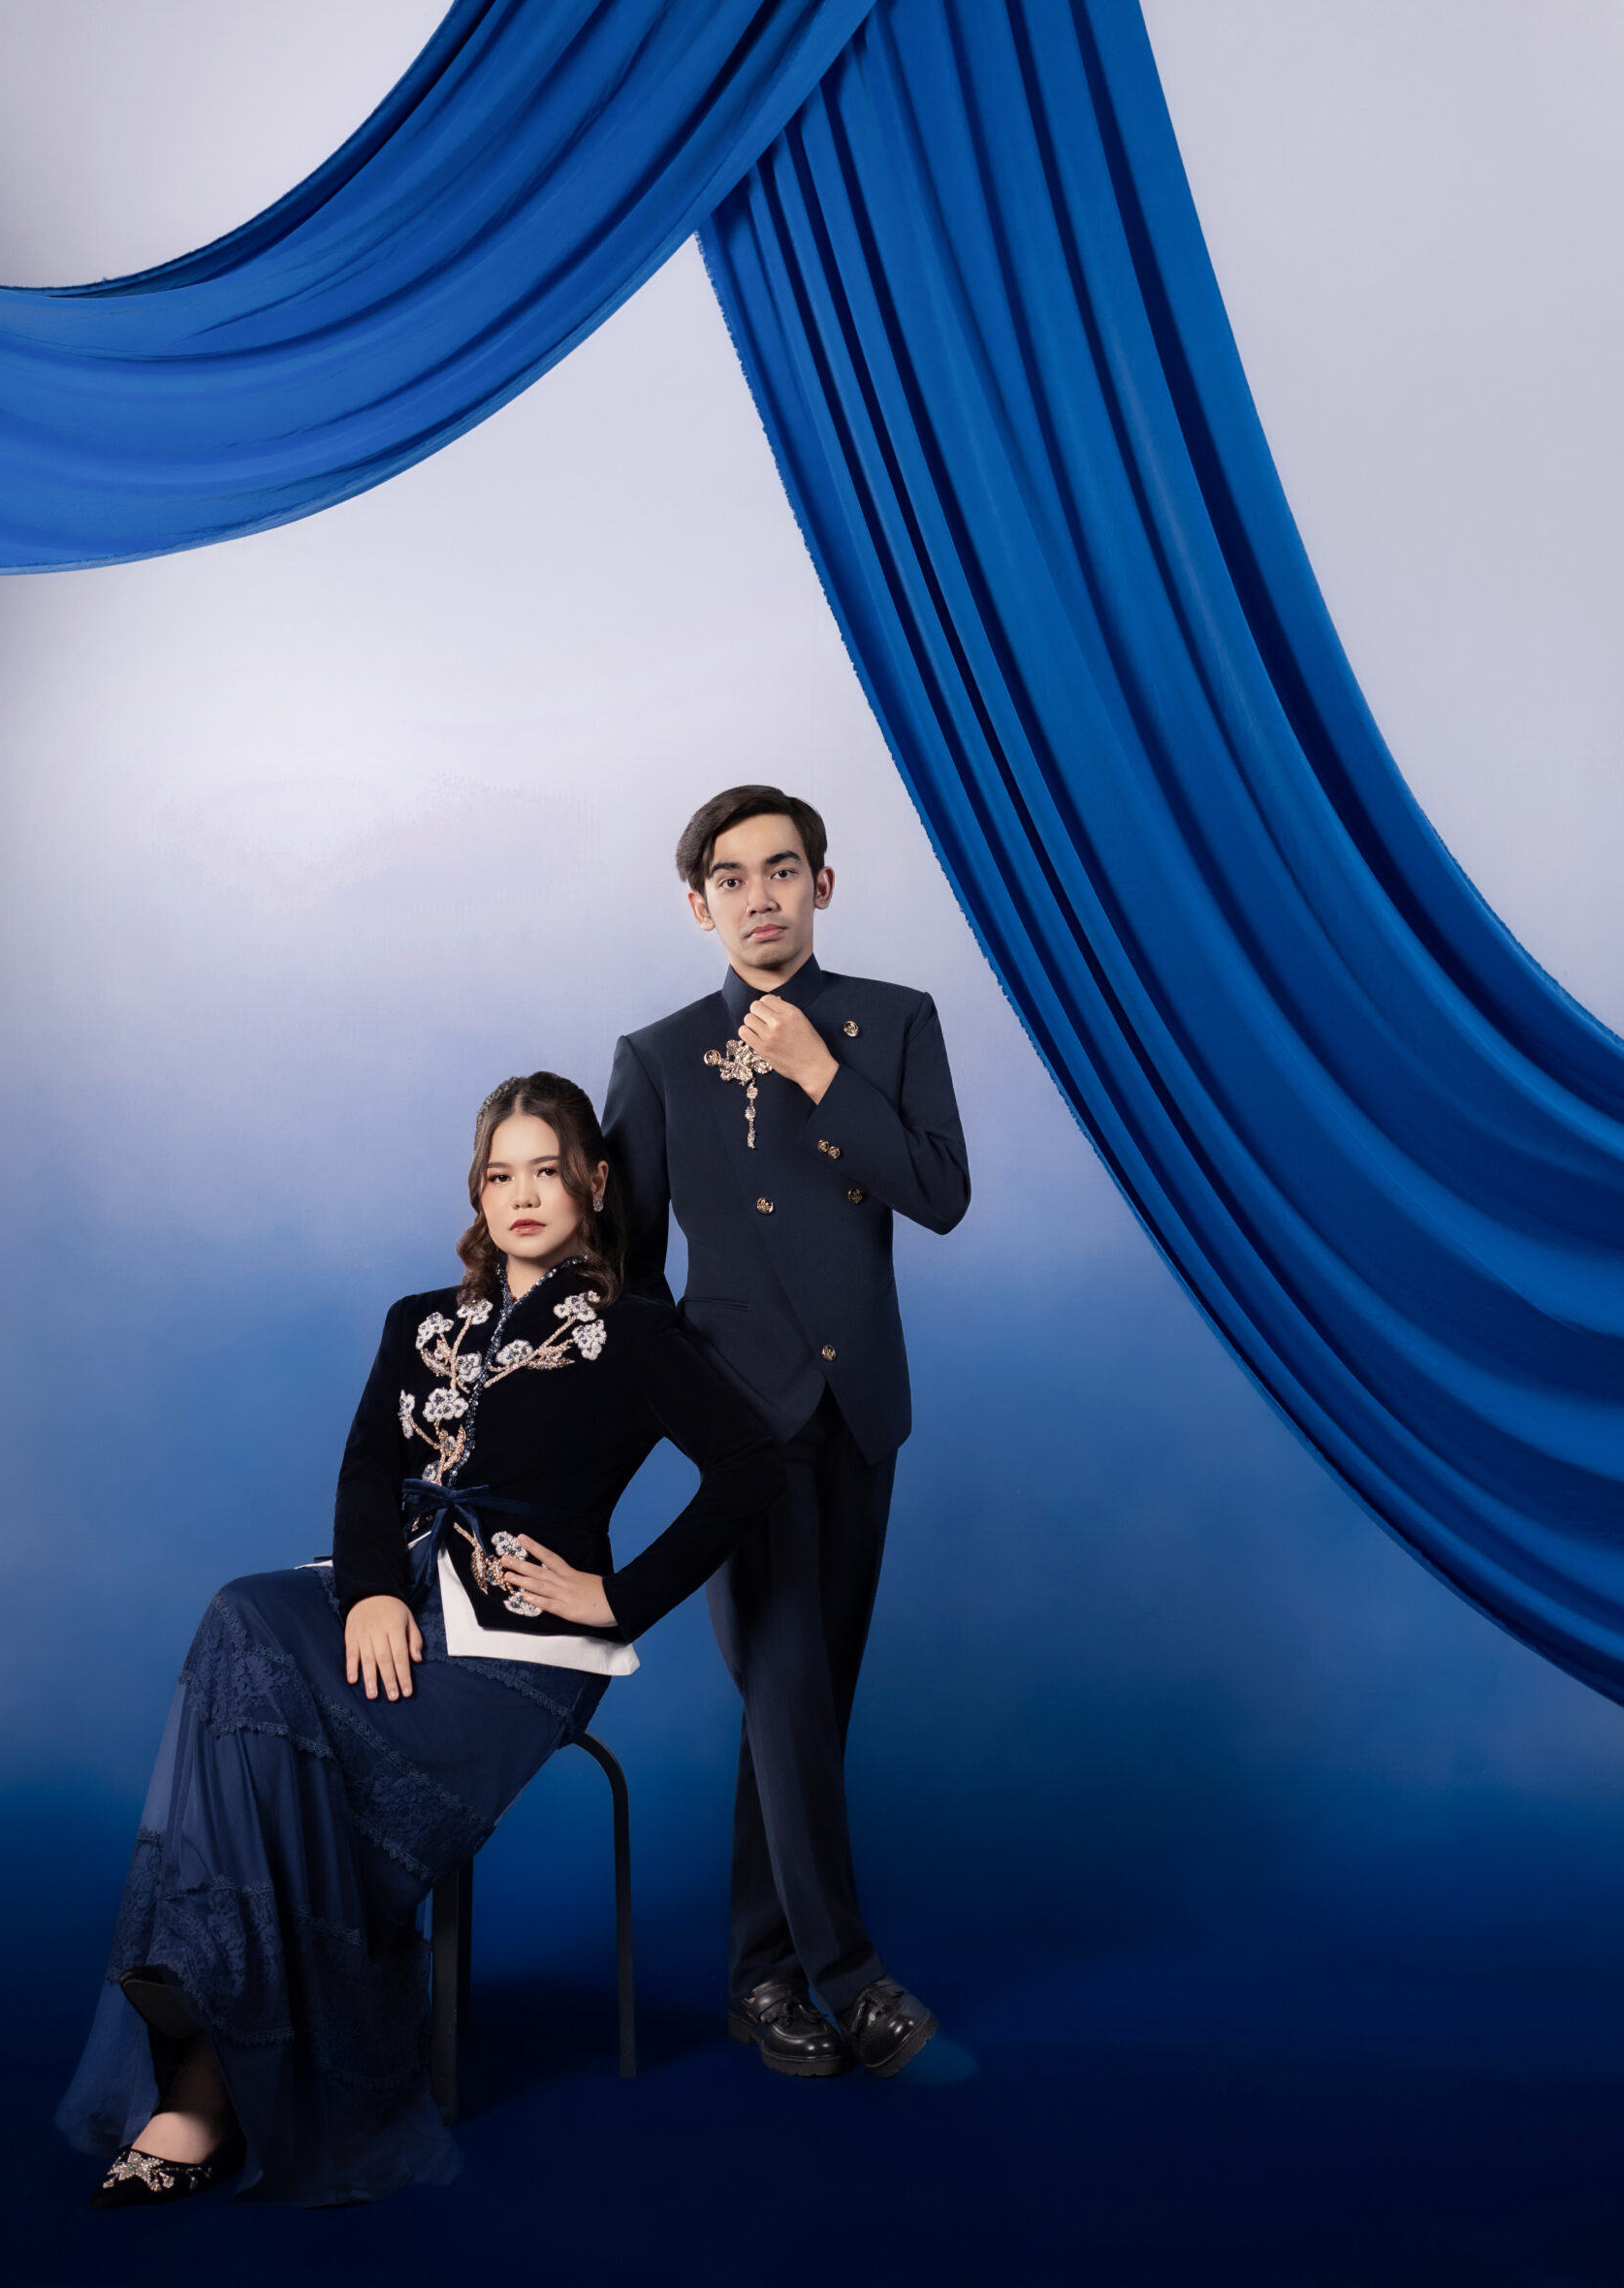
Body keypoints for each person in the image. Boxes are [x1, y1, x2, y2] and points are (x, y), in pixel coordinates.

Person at [58, 1072, 782, 2208]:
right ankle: (217, 2026)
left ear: (594, 1183)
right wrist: (365, 1596)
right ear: (477, 1192)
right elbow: (365, 1469)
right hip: (395, 1597)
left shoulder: (636, 1333)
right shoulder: (420, 1320)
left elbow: (752, 1465)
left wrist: (617, 1597)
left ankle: (203, 2075)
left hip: (519, 1650)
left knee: (287, 1722)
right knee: (242, 1616)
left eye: (548, 1171)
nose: (523, 1195)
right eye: (500, 1174)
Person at [602, 784, 970, 2081]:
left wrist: (819, 1072)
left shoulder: (896, 1021)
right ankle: (849, 1979)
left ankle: (758, 1978)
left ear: (823, 883)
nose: (759, 896)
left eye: (782, 870)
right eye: (731, 877)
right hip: (740, 1432)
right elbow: (628, 1280)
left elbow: (940, 1195)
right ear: (696, 904)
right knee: (786, 1692)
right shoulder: (655, 1056)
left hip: (861, 1407)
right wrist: (688, 1426)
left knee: (807, 1709)